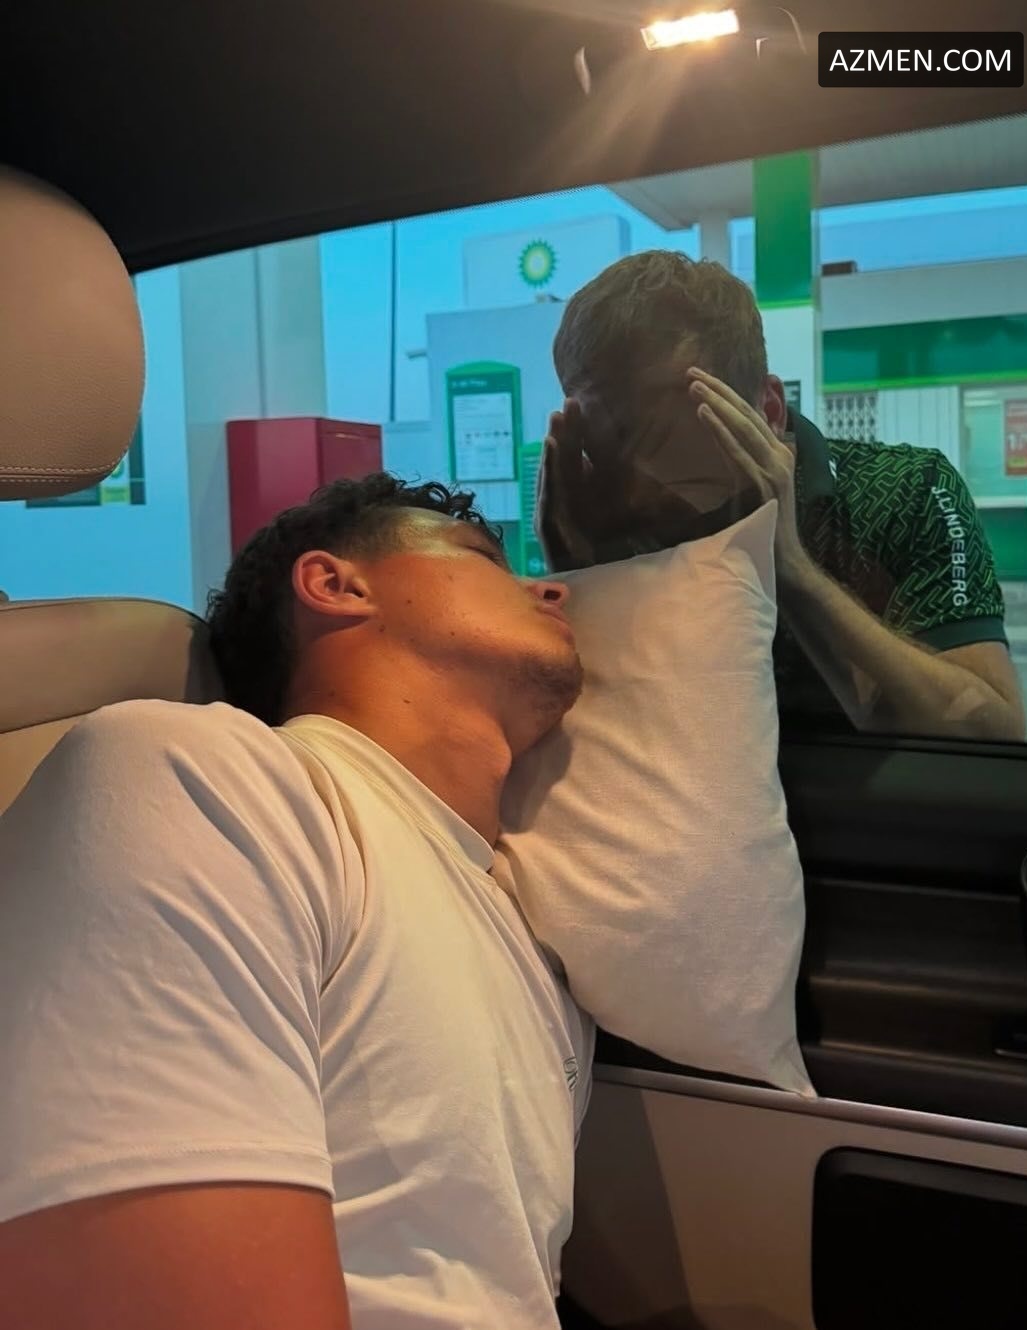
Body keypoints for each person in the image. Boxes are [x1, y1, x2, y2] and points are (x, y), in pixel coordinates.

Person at [0, 474, 593, 1330]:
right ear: (334, 585)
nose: (550, 590)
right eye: (482, 557)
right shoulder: (199, 782)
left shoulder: (525, 927)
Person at [537, 250, 1026, 742]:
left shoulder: (905, 489)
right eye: (602, 441)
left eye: (658, 435)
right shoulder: (612, 515)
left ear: (768, 408)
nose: (637, 482)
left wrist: (789, 566)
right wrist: (578, 576)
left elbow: (993, 731)